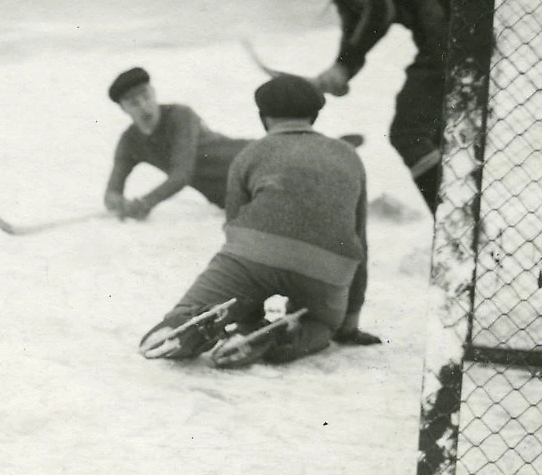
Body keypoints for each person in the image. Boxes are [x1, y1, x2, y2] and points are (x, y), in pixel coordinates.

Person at [139, 75, 373, 368]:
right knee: (320, 323)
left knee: (199, 304)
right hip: (327, 268)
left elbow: (233, 225)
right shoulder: (348, 155)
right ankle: (278, 337)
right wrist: (348, 323)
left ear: (264, 117)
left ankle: (182, 324)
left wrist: (248, 304)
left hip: (254, 257)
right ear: (314, 115)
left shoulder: (249, 154)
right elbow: (359, 238)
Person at [271, 0, 452, 216]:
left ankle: (453, 223)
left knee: (410, 134)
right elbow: (356, 30)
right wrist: (342, 72)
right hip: (448, 42)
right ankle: (456, 219)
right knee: (433, 136)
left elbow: (379, 11)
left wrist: (343, 67)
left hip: (451, 40)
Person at [102, 67, 249, 220]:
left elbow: (182, 174)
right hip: (229, 197)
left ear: (153, 92)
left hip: (255, 165)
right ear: (123, 109)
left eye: (146, 97)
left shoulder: (180, 115)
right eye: (134, 103)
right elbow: (111, 192)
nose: (144, 107)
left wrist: (146, 203)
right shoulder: (129, 140)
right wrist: (120, 204)